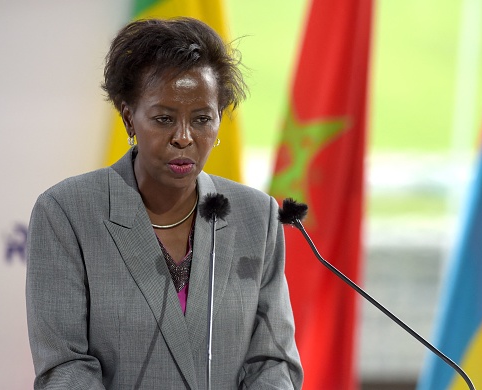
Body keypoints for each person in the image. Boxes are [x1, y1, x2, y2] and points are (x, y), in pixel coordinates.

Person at [25, 17, 303, 390]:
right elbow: (65, 366)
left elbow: (273, 361)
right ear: (129, 118)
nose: (184, 138)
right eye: (163, 119)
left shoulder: (257, 216)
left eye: (203, 119)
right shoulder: (67, 213)